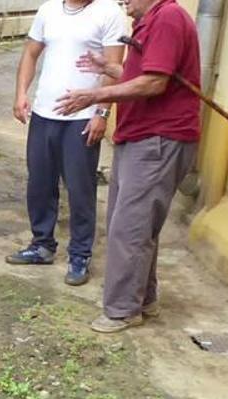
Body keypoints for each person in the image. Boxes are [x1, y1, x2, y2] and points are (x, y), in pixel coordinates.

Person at [55, 0, 201, 333]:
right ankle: (143, 299)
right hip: (141, 136)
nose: (124, 3)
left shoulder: (167, 19)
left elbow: (154, 84)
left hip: (158, 137)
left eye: (127, 0)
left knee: (130, 226)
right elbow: (143, 74)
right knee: (137, 223)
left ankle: (122, 310)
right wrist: (106, 68)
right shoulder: (152, 21)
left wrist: (94, 98)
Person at [7, 0, 126, 286]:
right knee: (39, 182)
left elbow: (114, 67)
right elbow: (30, 53)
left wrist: (102, 113)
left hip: (82, 117)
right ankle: (42, 244)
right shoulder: (48, 9)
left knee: (79, 187)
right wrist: (21, 93)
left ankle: (80, 254)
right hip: (44, 112)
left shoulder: (109, 12)